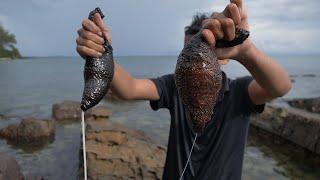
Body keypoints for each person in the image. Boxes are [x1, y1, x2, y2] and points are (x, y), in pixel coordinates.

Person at [76, 0, 291, 179]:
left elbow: (280, 87)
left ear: (223, 59)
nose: (189, 60)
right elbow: (129, 89)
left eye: (197, 52)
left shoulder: (239, 93)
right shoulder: (173, 87)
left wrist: (246, 52)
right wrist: (103, 51)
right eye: (186, 51)